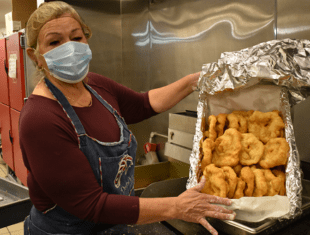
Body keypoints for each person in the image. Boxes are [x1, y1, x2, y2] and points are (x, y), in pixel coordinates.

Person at [20, 2, 235, 235]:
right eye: (54, 42)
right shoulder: (40, 119)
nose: (69, 48)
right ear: (36, 56)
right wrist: (177, 206)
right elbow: (91, 205)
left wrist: (194, 82)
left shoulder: (95, 86)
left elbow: (144, 104)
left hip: (115, 224)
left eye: (76, 38)